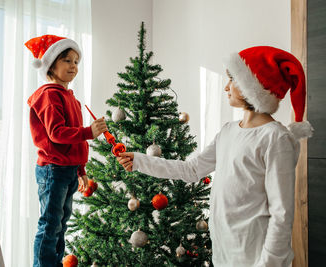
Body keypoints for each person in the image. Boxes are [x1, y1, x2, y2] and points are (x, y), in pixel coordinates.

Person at [117, 46, 313, 267]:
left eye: (233, 79)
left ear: (254, 86)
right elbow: (192, 170)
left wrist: (269, 263)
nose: (226, 87)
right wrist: (141, 161)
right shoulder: (229, 131)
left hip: (255, 255)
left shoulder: (275, 138)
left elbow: (282, 212)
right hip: (224, 251)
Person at [25, 35, 108, 267]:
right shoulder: (50, 95)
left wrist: (81, 169)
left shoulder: (70, 98)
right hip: (53, 170)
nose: (73, 66)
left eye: (76, 62)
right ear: (51, 65)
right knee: (50, 225)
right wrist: (88, 132)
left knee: (60, 224)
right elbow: (57, 133)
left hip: (68, 170)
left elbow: (75, 142)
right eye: (67, 60)